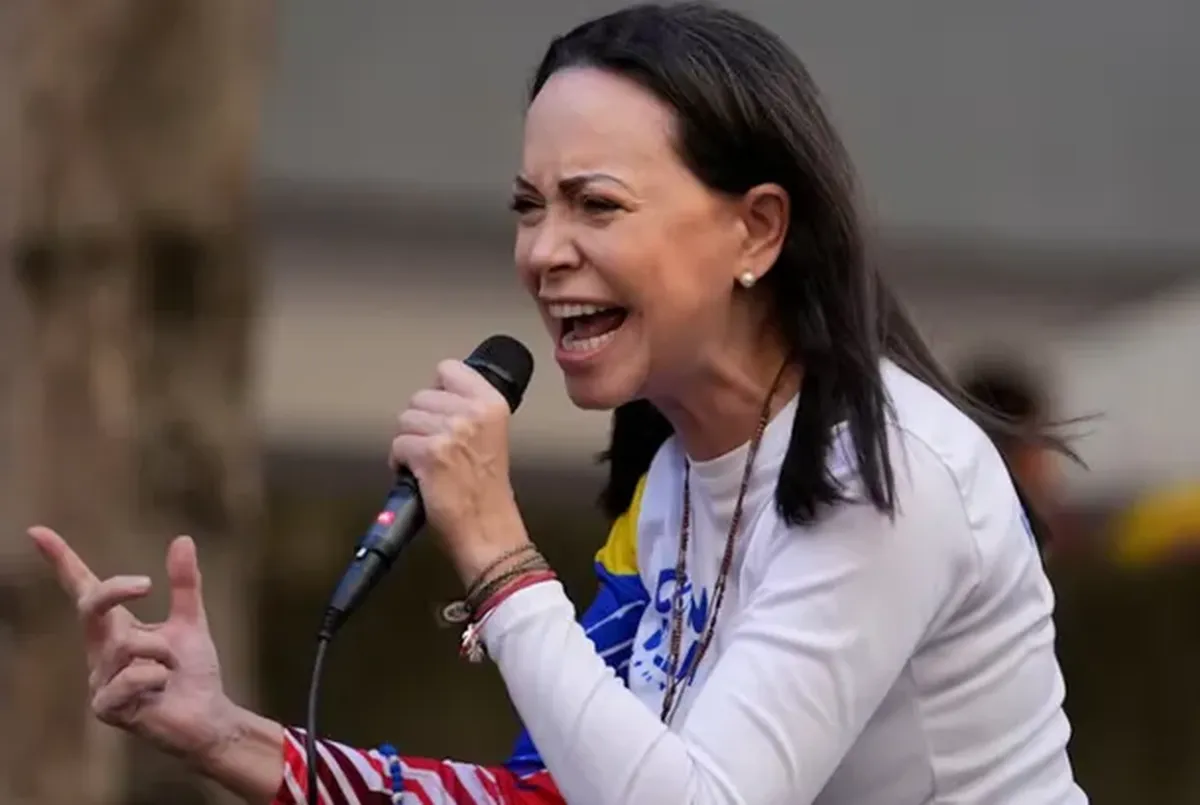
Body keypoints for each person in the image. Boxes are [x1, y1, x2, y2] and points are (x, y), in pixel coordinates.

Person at [28, 4, 1088, 804]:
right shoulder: (673, 479)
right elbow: (551, 795)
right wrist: (226, 734)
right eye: (530, 207)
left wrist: (497, 551)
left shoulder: (884, 470)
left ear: (758, 230)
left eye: (597, 204)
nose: (543, 251)